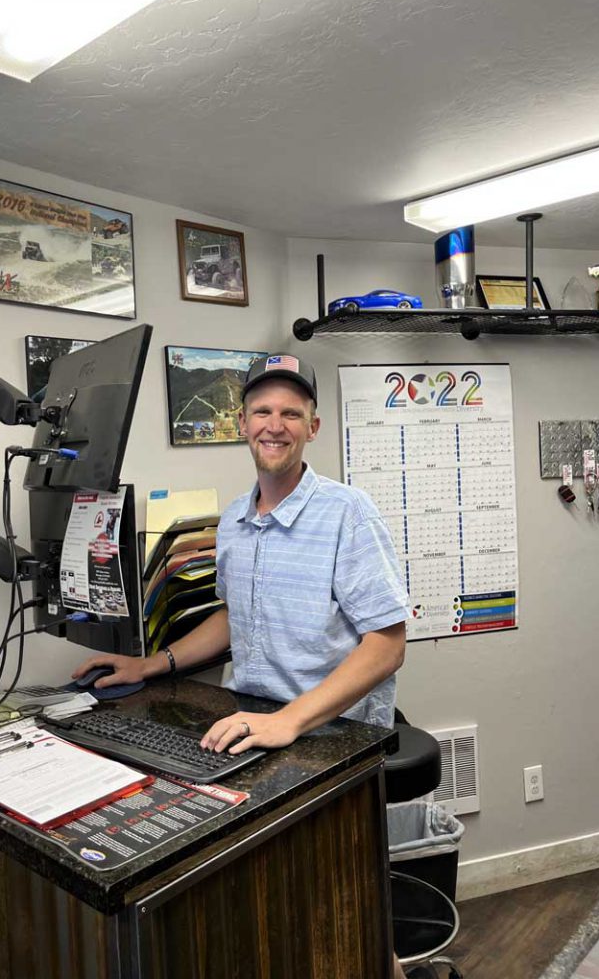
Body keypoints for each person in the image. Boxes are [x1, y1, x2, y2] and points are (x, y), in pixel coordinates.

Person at [73, 352, 410, 977]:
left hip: (331, 736)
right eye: (261, 411)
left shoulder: (346, 513)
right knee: (262, 905)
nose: (274, 424)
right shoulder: (234, 519)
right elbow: (236, 616)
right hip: (249, 723)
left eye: (290, 412)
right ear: (241, 422)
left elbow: (387, 642)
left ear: (313, 426)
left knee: (346, 910)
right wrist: (153, 664)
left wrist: (290, 721)